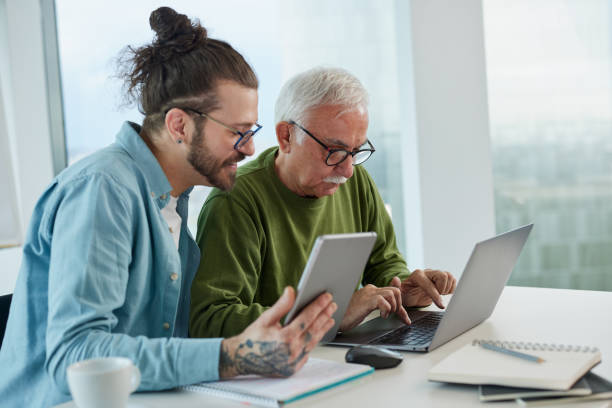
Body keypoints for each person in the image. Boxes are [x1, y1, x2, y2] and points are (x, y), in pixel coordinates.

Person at [0, 8, 336, 407]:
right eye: (238, 132)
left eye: (252, 131)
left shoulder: (173, 201)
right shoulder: (102, 191)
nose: (249, 148)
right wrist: (229, 355)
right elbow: (76, 353)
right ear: (179, 126)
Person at [190, 67, 457, 339]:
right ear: (286, 137)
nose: (348, 170)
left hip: (336, 357)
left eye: (355, 151)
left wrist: (404, 288)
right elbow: (210, 319)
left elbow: (383, 264)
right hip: (271, 371)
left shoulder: (356, 182)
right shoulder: (235, 200)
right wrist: (331, 315)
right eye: (335, 151)